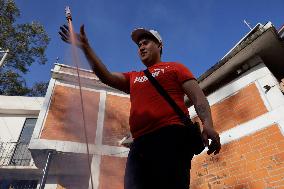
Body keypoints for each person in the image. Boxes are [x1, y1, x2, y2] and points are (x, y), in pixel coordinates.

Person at [59, 25, 221, 189]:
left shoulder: (175, 67)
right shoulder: (133, 77)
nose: (141, 47)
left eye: (146, 43)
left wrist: (208, 124)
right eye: (139, 45)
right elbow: (105, 76)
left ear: (159, 46)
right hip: (140, 145)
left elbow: (198, 97)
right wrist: (86, 48)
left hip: (171, 137)